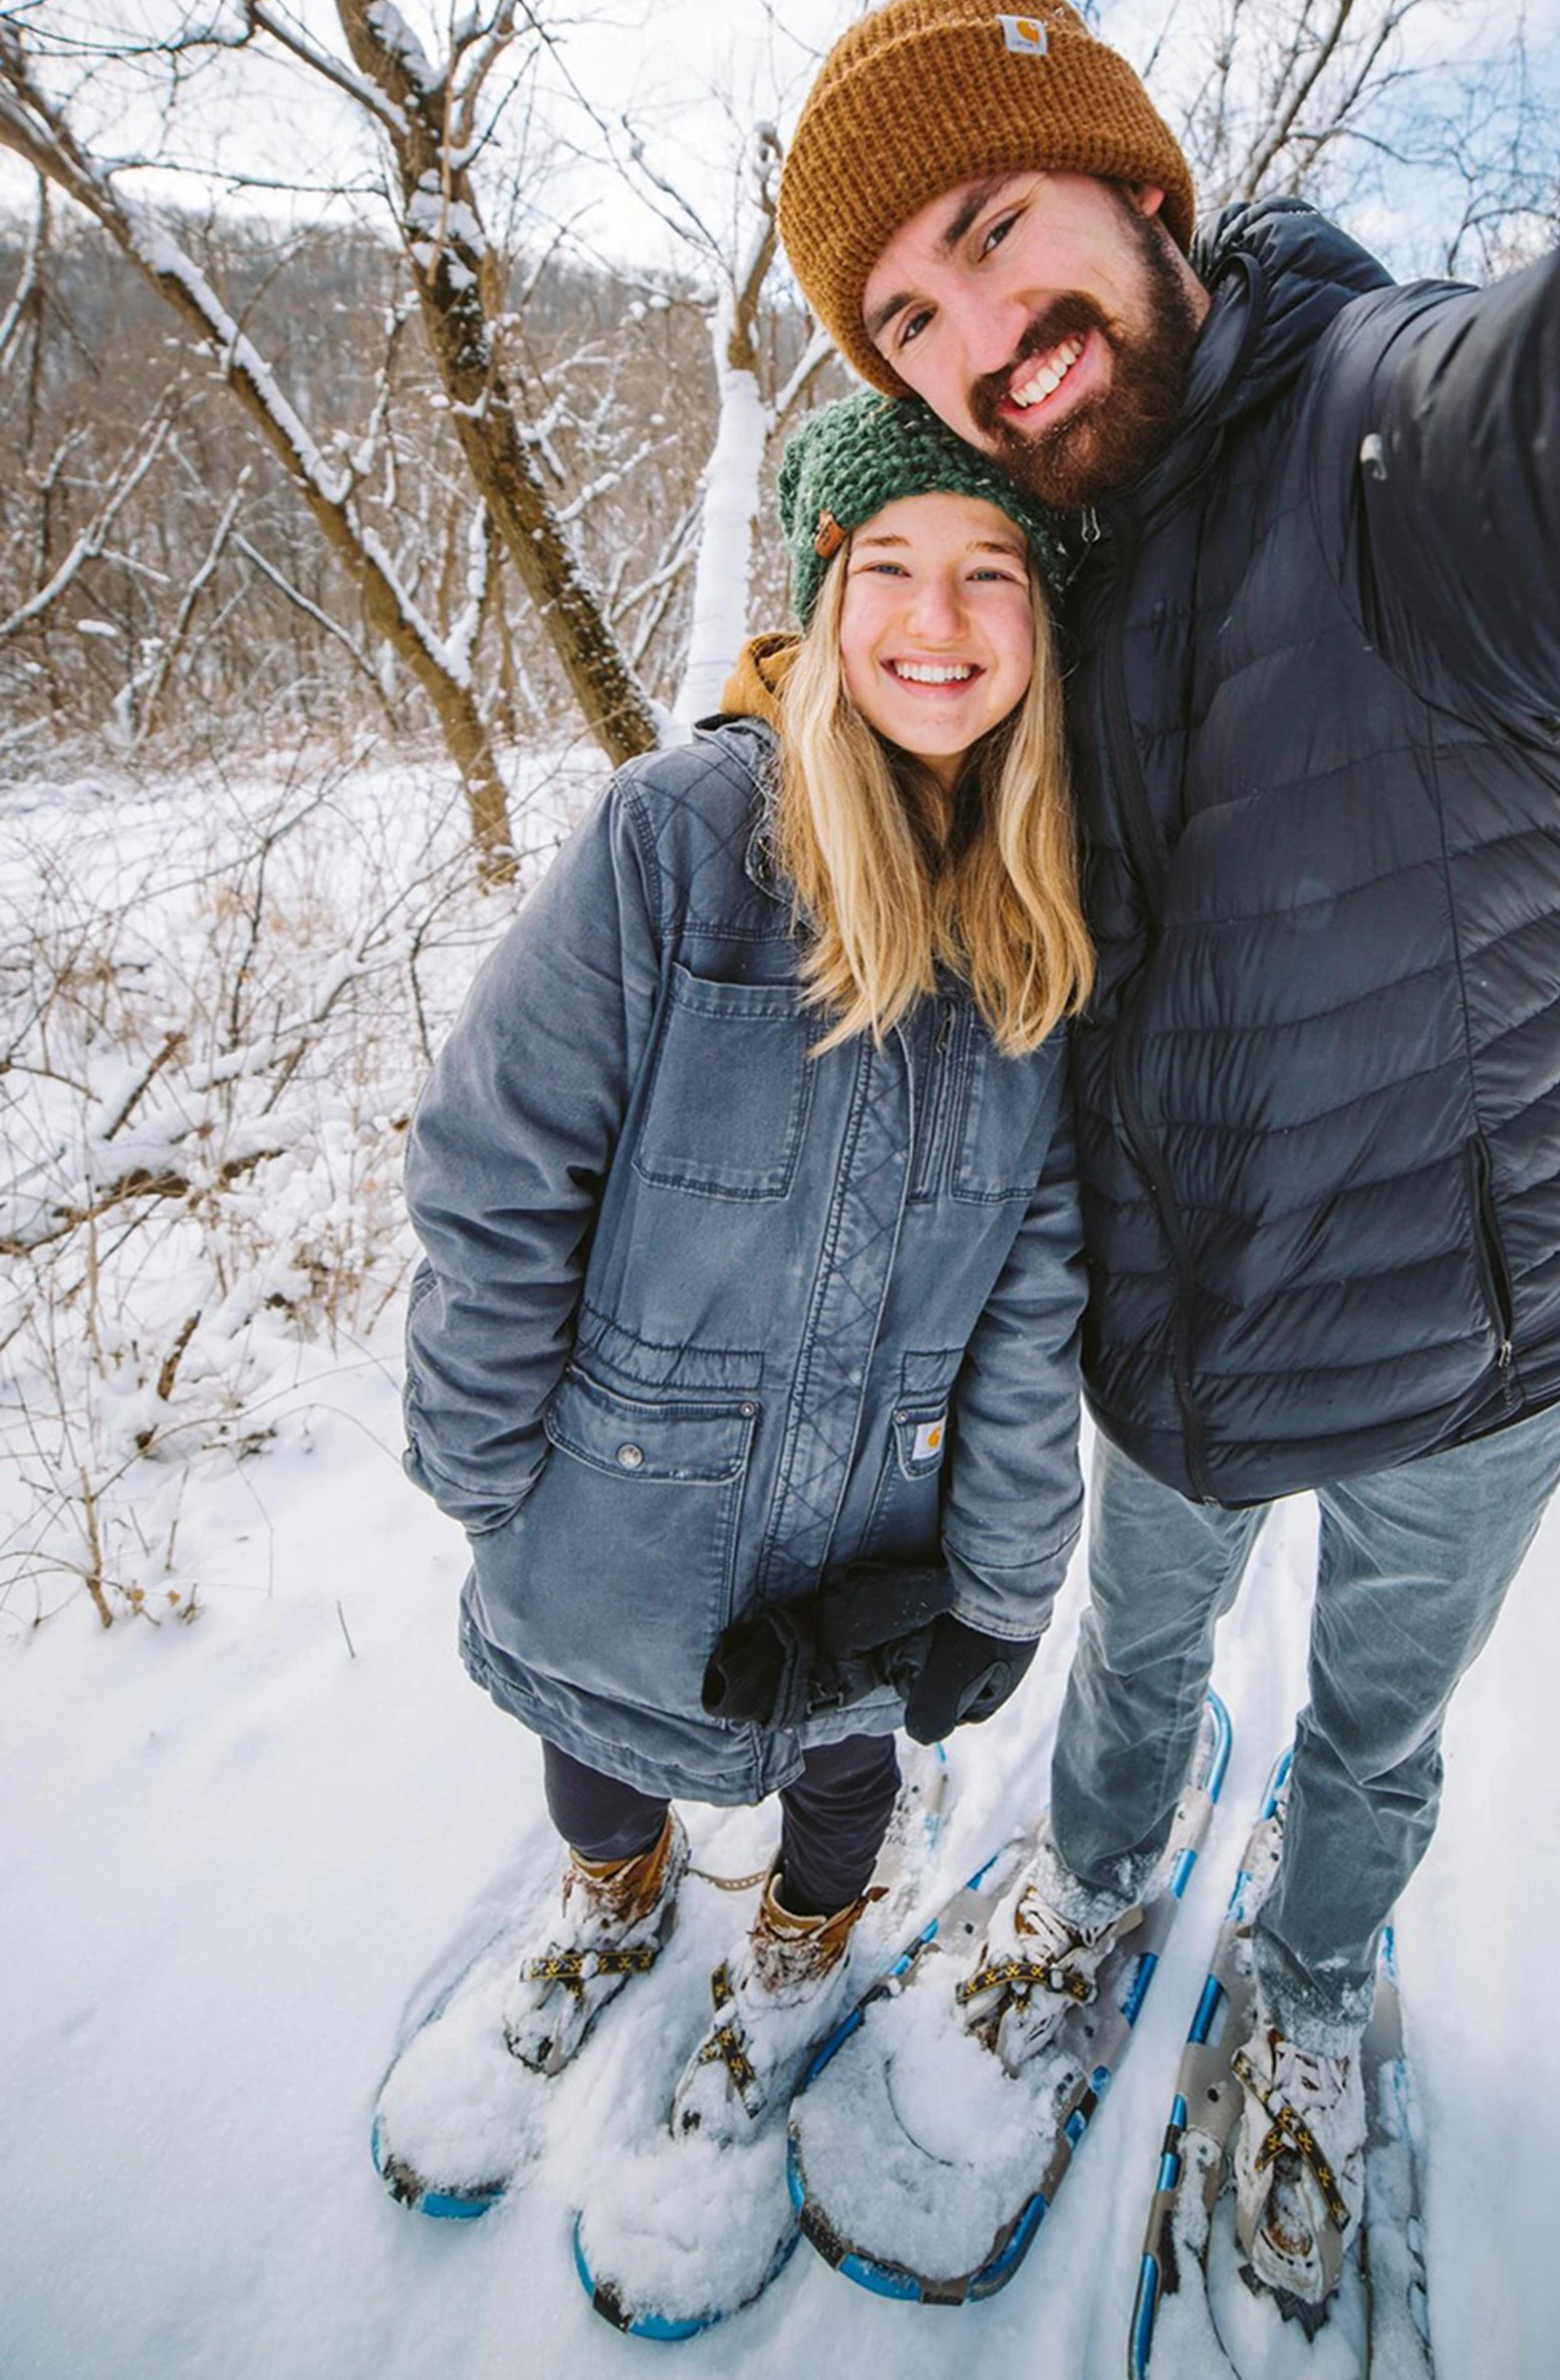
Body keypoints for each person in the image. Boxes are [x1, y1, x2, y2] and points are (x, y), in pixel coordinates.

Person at [770, 0, 1560, 2311]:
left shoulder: (1393, 445)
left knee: (1373, 1740)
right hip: (1174, 1351)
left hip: (1473, 1365)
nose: (986, 334)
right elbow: (864, 778)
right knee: (1130, 1672)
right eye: (913, 314)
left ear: (1140, 186)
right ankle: (1089, 1893)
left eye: (1004, 229)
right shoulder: (1030, 579)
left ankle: (1305, 1987)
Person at [396, 393, 1093, 2156]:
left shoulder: (1041, 918)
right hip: (618, 1510)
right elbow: (497, 1161)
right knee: (593, 1751)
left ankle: (800, 1942)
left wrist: (1006, 1580)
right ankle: (614, 1897)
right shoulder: (682, 840)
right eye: (893, 566)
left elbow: (1032, 1302)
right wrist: (484, 1463)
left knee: (845, 1781)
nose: (939, 620)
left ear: (1042, 617)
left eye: (993, 571)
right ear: (824, 592)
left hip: (875, 1544)